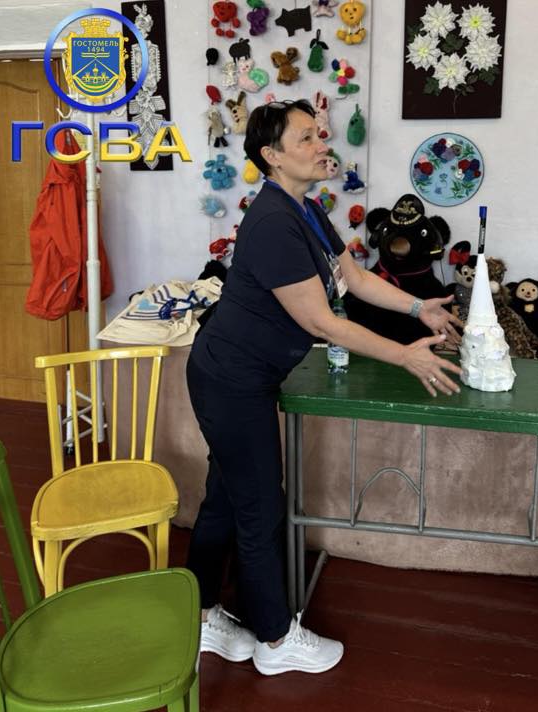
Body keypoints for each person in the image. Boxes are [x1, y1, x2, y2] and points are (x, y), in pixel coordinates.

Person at [186, 99, 463, 676]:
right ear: (272, 156)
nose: (321, 145)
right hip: (231, 377)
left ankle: (203, 612)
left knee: (227, 496)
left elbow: (354, 278)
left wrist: (420, 308)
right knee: (260, 505)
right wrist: (404, 356)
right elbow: (321, 321)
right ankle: (274, 639)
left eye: (319, 135)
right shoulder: (271, 222)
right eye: (307, 138)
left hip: (241, 372)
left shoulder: (305, 209)